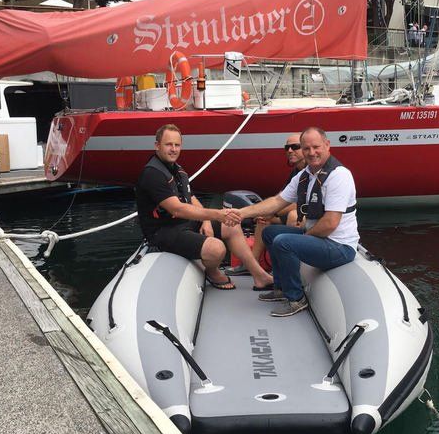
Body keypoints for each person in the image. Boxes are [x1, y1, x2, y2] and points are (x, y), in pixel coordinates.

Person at [135, 124, 273, 291]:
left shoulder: (177, 170)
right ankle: (212, 272)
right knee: (217, 249)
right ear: (157, 145)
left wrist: (206, 220)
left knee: (232, 225)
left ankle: (259, 276)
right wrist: (217, 214)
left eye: (177, 145)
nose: (173, 149)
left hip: (184, 224)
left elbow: (191, 197)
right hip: (164, 232)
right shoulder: (153, 174)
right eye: (168, 144)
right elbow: (177, 209)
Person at [238, 127, 359, 317]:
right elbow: (277, 202)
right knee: (271, 233)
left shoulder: (339, 176)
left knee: (284, 242)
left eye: (316, 147)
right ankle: (280, 287)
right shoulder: (306, 175)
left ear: (327, 145)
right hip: (320, 239)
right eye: (306, 148)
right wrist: (241, 213)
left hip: (339, 246)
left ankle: (296, 299)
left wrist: (303, 238)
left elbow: (330, 223)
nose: (311, 153)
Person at [249, 133, 307, 262]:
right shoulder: (296, 171)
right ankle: (253, 263)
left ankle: (293, 262)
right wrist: (265, 211)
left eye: (295, 147)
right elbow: (282, 196)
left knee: (293, 215)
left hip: (312, 214)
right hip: (296, 211)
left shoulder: (312, 170)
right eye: (287, 148)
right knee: (262, 220)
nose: (290, 150)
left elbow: (303, 203)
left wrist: (273, 212)